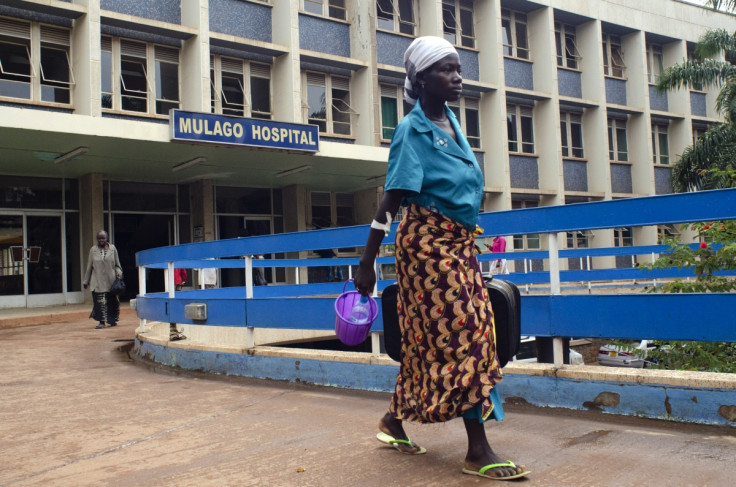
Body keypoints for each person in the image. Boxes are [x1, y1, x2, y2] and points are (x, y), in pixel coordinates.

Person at [353, 36, 529, 480]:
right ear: (420, 78)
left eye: (458, 69)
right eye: (446, 70)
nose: (457, 77)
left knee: (429, 339)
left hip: (458, 242)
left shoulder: (450, 120)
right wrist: (368, 261)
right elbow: (390, 200)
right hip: (428, 246)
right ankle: (478, 450)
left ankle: (394, 420)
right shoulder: (412, 130)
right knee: (467, 333)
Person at [83, 230, 123, 329]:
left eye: (103, 238)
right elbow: (89, 267)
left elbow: (117, 265)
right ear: (97, 239)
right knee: (99, 302)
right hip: (97, 281)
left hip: (111, 281)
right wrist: (86, 281)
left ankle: (112, 319)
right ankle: (101, 322)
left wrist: (119, 273)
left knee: (112, 301)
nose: (101, 240)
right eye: (99, 238)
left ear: (107, 238)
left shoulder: (113, 249)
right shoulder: (93, 250)